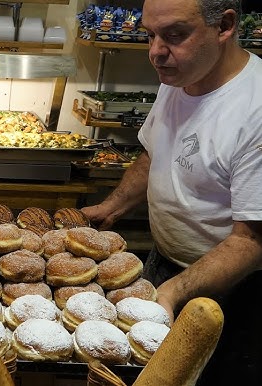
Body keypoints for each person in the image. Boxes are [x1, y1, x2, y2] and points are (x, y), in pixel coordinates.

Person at [82, 0, 262, 384]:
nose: (155, 52)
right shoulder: (181, 76)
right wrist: (111, 207)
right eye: (150, 35)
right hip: (164, 266)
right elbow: (155, 152)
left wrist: (175, 291)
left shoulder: (255, 110)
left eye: (175, 35)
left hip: (238, 294)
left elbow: (252, 242)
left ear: (225, 25)